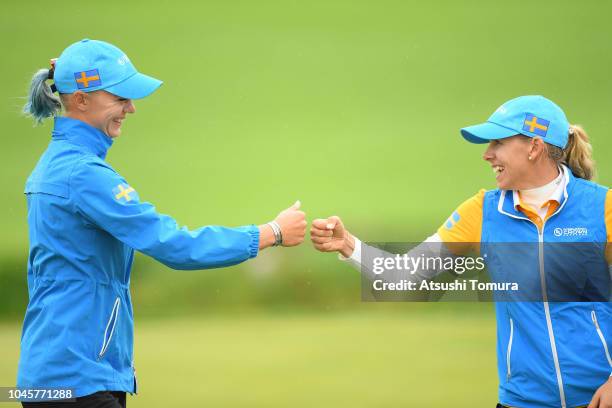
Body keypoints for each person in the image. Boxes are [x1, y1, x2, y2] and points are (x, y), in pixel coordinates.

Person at [18, 38, 307, 408]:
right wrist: (271, 233)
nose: (131, 108)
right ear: (81, 99)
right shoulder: (83, 174)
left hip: (57, 374)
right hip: (76, 379)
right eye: (120, 97)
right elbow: (173, 245)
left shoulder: (59, 164)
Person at [311, 95, 612, 408]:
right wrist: (347, 244)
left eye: (498, 142)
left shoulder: (602, 207)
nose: (487, 154)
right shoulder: (483, 211)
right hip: (522, 402)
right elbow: (403, 276)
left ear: (534, 148)